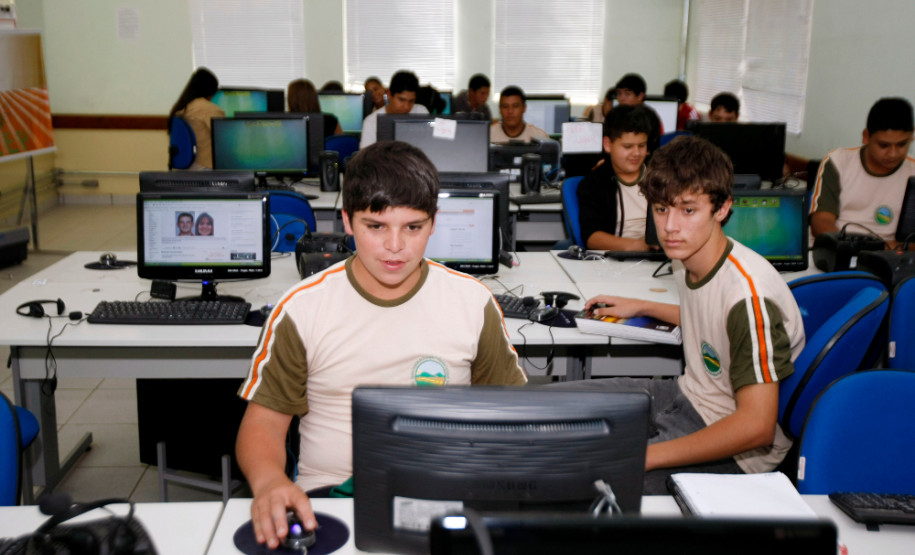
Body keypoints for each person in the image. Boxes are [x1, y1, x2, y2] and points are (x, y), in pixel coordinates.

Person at [235, 141, 527, 549]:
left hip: (447, 492)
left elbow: (512, 416)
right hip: (330, 497)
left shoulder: (472, 301)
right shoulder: (302, 307)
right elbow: (263, 423)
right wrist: (269, 482)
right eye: (376, 226)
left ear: (434, 222)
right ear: (347, 222)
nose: (395, 246)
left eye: (413, 227)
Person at [555, 135, 804, 495]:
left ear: (721, 209)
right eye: (660, 209)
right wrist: (642, 306)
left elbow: (757, 426)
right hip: (686, 394)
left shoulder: (749, 298)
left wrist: (650, 456)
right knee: (556, 407)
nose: (670, 226)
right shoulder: (689, 255)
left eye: (688, 210)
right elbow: (712, 320)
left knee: (590, 483)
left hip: (737, 444)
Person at [810, 97, 915, 246]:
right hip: (839, 248)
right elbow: (821, 222)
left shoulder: (913, 172)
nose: (893, 153)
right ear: (866, 137)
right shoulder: (838, 161)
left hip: (891, 255)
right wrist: (850, 248)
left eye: (902, 144)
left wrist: (885, 250)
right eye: (884, 145)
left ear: (912, 136)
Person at [577, 105, 657, 251]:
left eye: (642, 145)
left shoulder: (660, 178)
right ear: (608, 144)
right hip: (616, 258)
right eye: (628, 146)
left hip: (660, 256)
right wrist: (640, 245)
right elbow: (592, 238)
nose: (636, 153)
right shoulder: (594, 184)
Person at [169, 68, 224, 169]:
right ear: (210, 90)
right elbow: (224, 140)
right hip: (207, 168)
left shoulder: (181, 107)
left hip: (187, 168)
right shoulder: (210, 110)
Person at [359, 70, 428, 149]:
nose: (406, 107)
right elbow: (366, 157)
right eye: (401, 100)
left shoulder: (421, 112)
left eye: (411, 101)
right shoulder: (372, 121)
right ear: (389, 94)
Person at [614, 73, 662, 153]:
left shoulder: (648, 117)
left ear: (640, 96)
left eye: (627, 94)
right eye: (619, 93)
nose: (621, 98)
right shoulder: (618, 114)